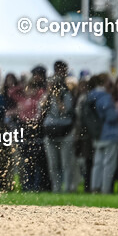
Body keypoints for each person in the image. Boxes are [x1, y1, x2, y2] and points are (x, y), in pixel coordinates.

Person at [41, 61, 76, 193]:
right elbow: (41, 108)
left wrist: (57, 97)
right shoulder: (47, 96)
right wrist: (49, 96)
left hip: (65, 132)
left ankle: (67, 188)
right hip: (50, 133)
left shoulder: (65, 95)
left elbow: (65, 110)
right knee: (53, 164)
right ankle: (56, 189)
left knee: (66, 163)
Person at [85, 74, 118, 193]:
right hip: (109, 133)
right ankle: (105, 189)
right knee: (108, 164)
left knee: (97, 163)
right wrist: (117, 110)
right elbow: (111, 117)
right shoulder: (104, 97)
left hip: (97, 133)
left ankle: (95, 188)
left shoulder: (90, 96)